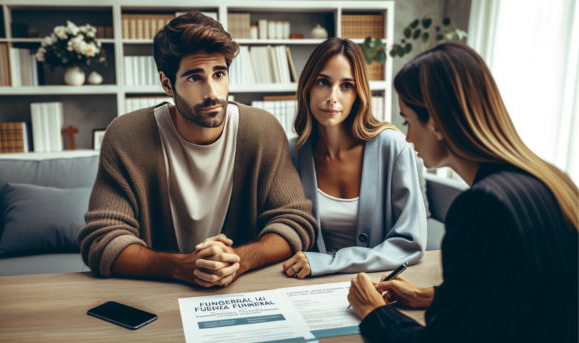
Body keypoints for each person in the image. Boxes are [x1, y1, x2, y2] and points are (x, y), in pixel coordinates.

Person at [347, 42, 578, 342]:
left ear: (437, 123)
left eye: (408, 121)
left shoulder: (481, 207)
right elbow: (522, 290)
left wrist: (372, 311)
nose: (407, 137)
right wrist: (429, 295)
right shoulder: (550, 179)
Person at [78, 11, 317, 288]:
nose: (212, 92)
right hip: (157, 295)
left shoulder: (262, 130)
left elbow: (296, 223)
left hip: (246, 292)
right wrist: (181, 267)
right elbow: (102, 242)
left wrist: (238, 260)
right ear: (167, 83)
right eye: (194, 78)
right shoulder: (126, 136)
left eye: (219, 74)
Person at [282, 37, 428, 279]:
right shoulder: (290, 154)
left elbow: (411, 242)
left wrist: (329, 262)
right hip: (307, 287)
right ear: (307, 86)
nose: (332, 97)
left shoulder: (393, 147)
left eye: (346, 86)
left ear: (359, 93)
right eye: (323, 82)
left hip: (378, 284)